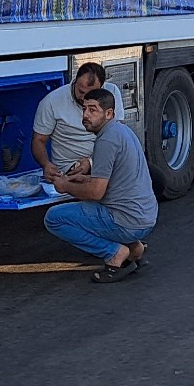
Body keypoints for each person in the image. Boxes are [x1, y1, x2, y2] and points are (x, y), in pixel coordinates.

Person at [43, 87, 157, 282]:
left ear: (109, 113)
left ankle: (113, 253)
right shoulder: (122, 131)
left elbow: (96, 193)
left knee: (53, 218)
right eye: (84, 109)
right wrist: (85, 179)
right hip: (145, 216)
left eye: (93, 110)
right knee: (91, 207)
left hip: (127, 220)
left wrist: (64, 185)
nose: (86, 115)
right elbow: (117, 180)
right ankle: (134, 248)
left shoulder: (107, 140)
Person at [32, 62, 124, 182]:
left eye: (91, 94)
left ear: (102, 88)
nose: (84, 98)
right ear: (75, 81)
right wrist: (46, 164)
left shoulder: (112, 93)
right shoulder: (51, 102)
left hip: (106, 160)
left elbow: (117, 136)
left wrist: (91, 162)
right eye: (81, 91)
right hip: (70, 168)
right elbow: (38, 140)